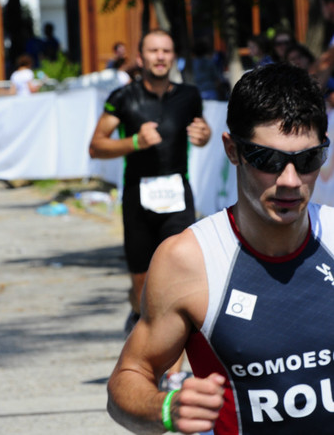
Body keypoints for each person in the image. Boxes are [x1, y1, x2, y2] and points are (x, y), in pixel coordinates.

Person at [107, 62, 334, 435]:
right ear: (233, 150)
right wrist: (163, 407)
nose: (290, 181)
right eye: (268, 160)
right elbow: (129, 378)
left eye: (307, 160)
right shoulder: (188, 260)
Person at [89, 28, 211, 384]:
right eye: (153, 51)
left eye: (166, 51)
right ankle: (136, 312)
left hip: (177, 193)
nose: (160, 57)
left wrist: (201, 138)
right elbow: (96, 146)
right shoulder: (123, 97)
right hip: (137, 197)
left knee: (179, 282)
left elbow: (199, 135)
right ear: (140, 58)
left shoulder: (189, 95)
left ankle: (173, 372)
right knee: (143, 287)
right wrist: (133, 141)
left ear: (173, 57)